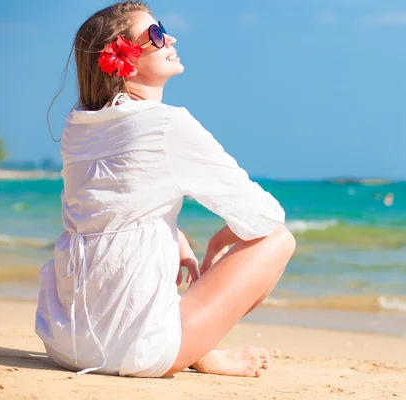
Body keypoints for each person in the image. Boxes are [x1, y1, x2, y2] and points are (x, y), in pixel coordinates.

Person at [35, 0, 295, 378]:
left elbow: (111, 206)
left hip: (63, 339)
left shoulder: (79, 126)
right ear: (124, 58)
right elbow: (265, 216)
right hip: (133, 350)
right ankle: (199, 351)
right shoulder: (168, 124)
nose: (169, 37)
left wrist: (176, 237)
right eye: (155, 34)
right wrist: (219, 242)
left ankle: (191, 345)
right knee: (278, 239)